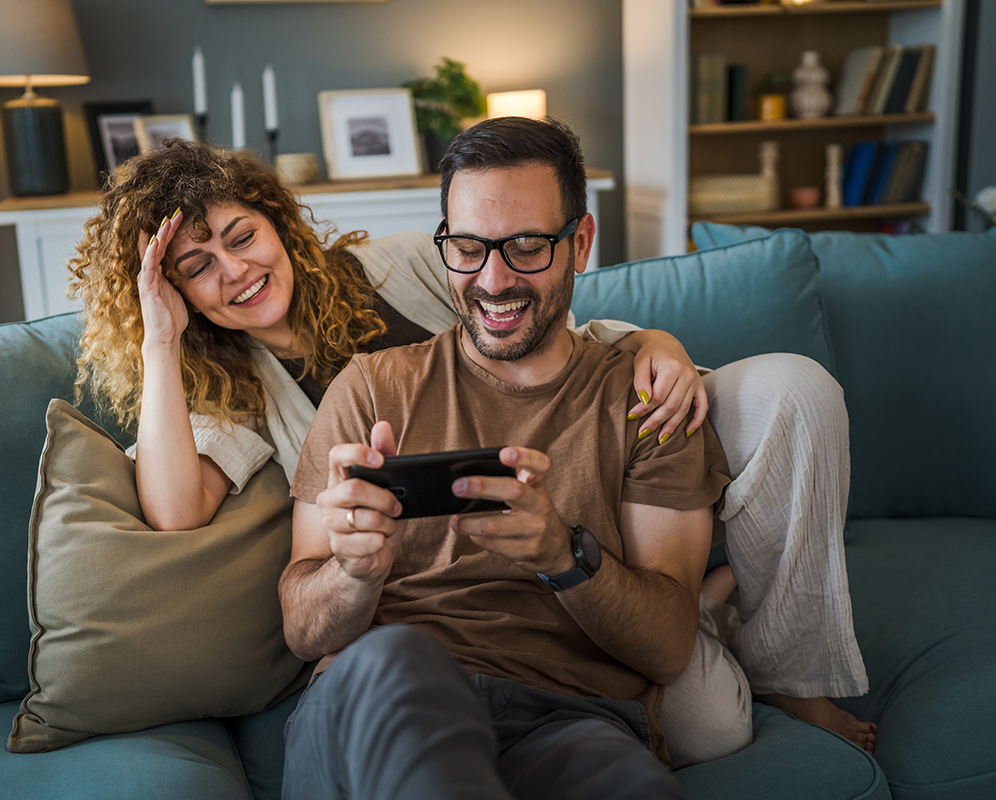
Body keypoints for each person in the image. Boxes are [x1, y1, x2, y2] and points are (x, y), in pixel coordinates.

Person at [68, 134, 873, 765]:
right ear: (177, 291)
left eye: (242, 236)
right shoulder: (230, 385)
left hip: (592, 484)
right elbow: (175, 509)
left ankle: (783, 666)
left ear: (277, 220)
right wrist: (162, 340)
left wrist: (653, 340)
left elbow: (530, 323)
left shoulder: (395, 266)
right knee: (713, 730)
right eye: (198, 268)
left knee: (791, 393)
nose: (236, 270)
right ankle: (694, 600)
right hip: (466, 585)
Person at [280, 117, 735, 798]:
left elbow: (669, 647)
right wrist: (353, 574)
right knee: (400, 659)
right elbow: (301, 628)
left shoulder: (649, 401)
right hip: (385, 701)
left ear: (580, 243)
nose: (492, 281)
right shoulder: (373, 386)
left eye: (526, 247)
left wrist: (562, 555)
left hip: (574, 718)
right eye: (467, 247)